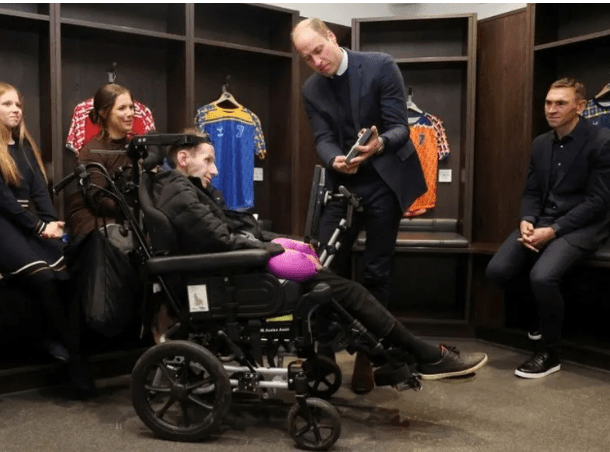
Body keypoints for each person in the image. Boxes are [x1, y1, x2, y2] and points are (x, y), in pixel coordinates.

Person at [152, 131, 487, 385]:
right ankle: (421, 354)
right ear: (183, 158)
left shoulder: (190, 190)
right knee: (348, 293)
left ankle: (397, 356)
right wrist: (277, 250)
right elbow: (223, 239)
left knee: (339, 293)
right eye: (208, 160)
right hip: (225, 279)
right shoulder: (180, 191)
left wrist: (285, 242)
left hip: (233, 272)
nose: (215, 168)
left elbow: (236, 227)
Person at [292, 17, 428, 393]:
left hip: (384, 180)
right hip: (342, 182)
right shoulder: (311, 90)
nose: (317, 62)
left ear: (331, 37)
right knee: (322, 267)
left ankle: (371, 358)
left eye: (319, 50)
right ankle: (322, 354)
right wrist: (334, 158)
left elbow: (400, 128)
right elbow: (321, 137)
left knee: (376, 273)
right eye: (307, 58)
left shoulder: (380, 65)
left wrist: (377, 145)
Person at [486, 78, 610, 379]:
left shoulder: (604, 142)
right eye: (548, 102)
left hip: (585, 226)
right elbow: (532, 191)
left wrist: (555, 229)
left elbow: (599, 202)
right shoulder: (540, 144)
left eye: (561, 103)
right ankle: (537, 319)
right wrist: (527, 220)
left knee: (543, 275)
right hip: (544, 223)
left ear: (580, 106)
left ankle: (550, 353)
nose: (552, 109)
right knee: (497, 270)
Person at [0, 82, 93, 395]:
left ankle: (59, 341)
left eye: (18, 104)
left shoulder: (25, 144)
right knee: (43, 277)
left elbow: (40, 191)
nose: (16, 110)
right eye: (7, 104)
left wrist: (51, 224)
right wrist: (40, 228)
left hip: (27, 221)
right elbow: (2, 198)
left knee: (69, 272)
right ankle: (74, 360)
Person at [66, 83, 144, 337]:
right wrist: (135, 206)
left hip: (129, 216)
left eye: (132, 107)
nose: (130, 113)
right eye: (122, 108)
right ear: (105, 113)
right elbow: (98, 200)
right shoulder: (91, 150)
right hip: (100, 219)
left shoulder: (137, 147)